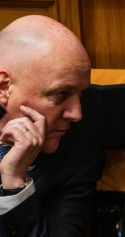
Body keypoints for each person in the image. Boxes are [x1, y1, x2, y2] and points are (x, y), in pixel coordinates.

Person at [0, 15, 105, 236]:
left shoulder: (77, 159)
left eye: (81, 94)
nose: (76, 114)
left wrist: (15, 183)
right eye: (60, 94)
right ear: (4, 87)